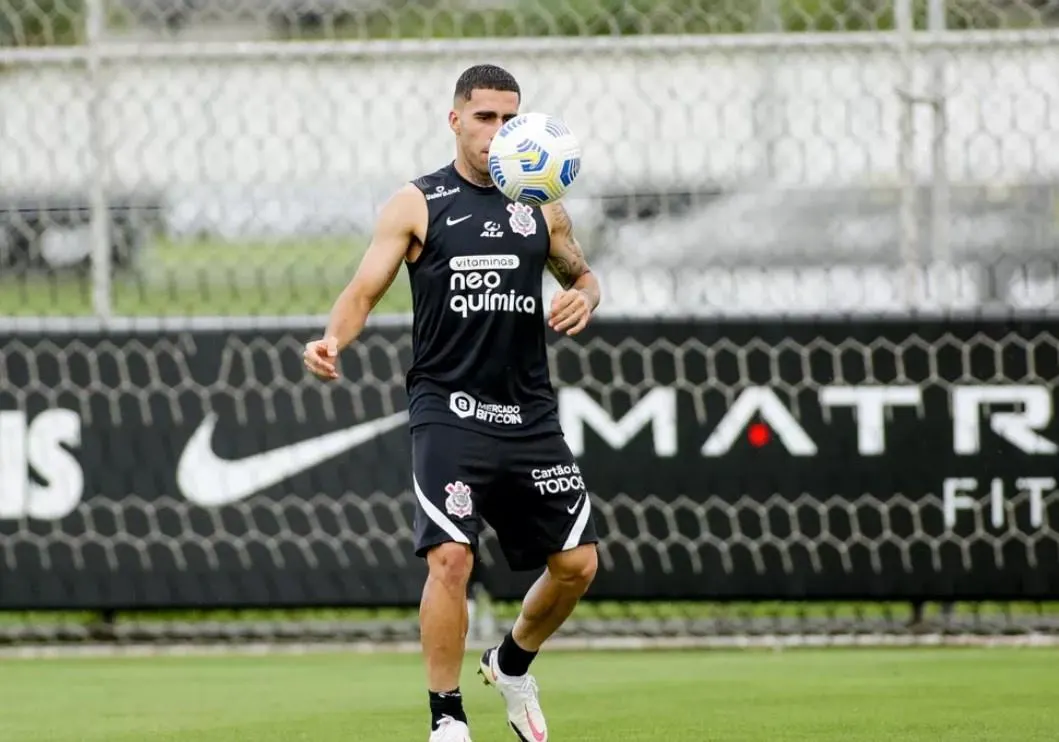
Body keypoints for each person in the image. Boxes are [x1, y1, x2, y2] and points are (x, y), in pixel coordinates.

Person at [303, 63, 601, 742]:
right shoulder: (418, 202)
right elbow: (362, 291)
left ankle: (511, 663)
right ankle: (446, 717)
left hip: (527, 413)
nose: (497, 131)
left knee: (577, 566)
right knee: (450, 557)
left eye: (508, 118)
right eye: (485, 118)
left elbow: (580, 272)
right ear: (455, 120)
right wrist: (331, 340)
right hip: (448, 410)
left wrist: (585, 294)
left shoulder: (540, 202)